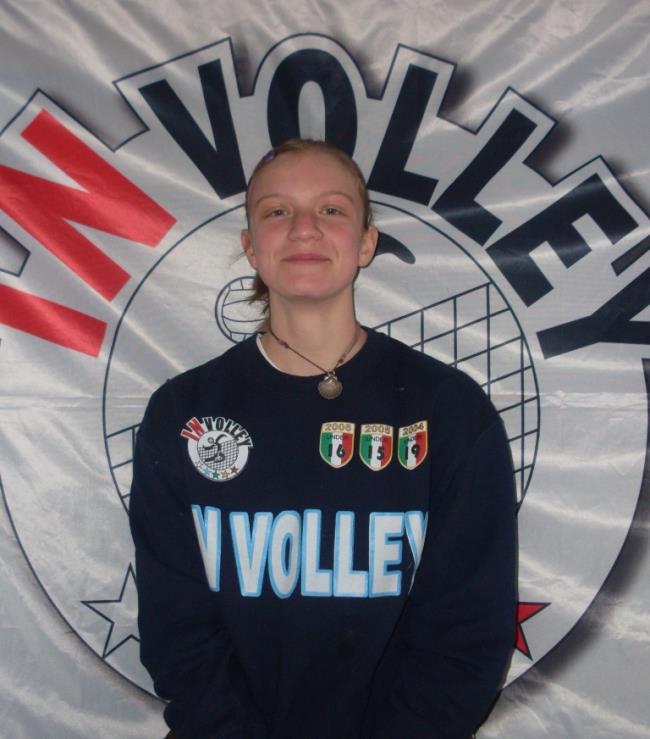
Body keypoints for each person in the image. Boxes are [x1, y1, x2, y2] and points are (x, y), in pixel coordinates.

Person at [129, 139, 517, 739]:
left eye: (331, 209)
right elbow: (177, 633)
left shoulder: (449, 410)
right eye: (277, 211)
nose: (304, 228)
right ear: (251, 246)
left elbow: (467, 636)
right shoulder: (183, 412)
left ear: (366, 242)